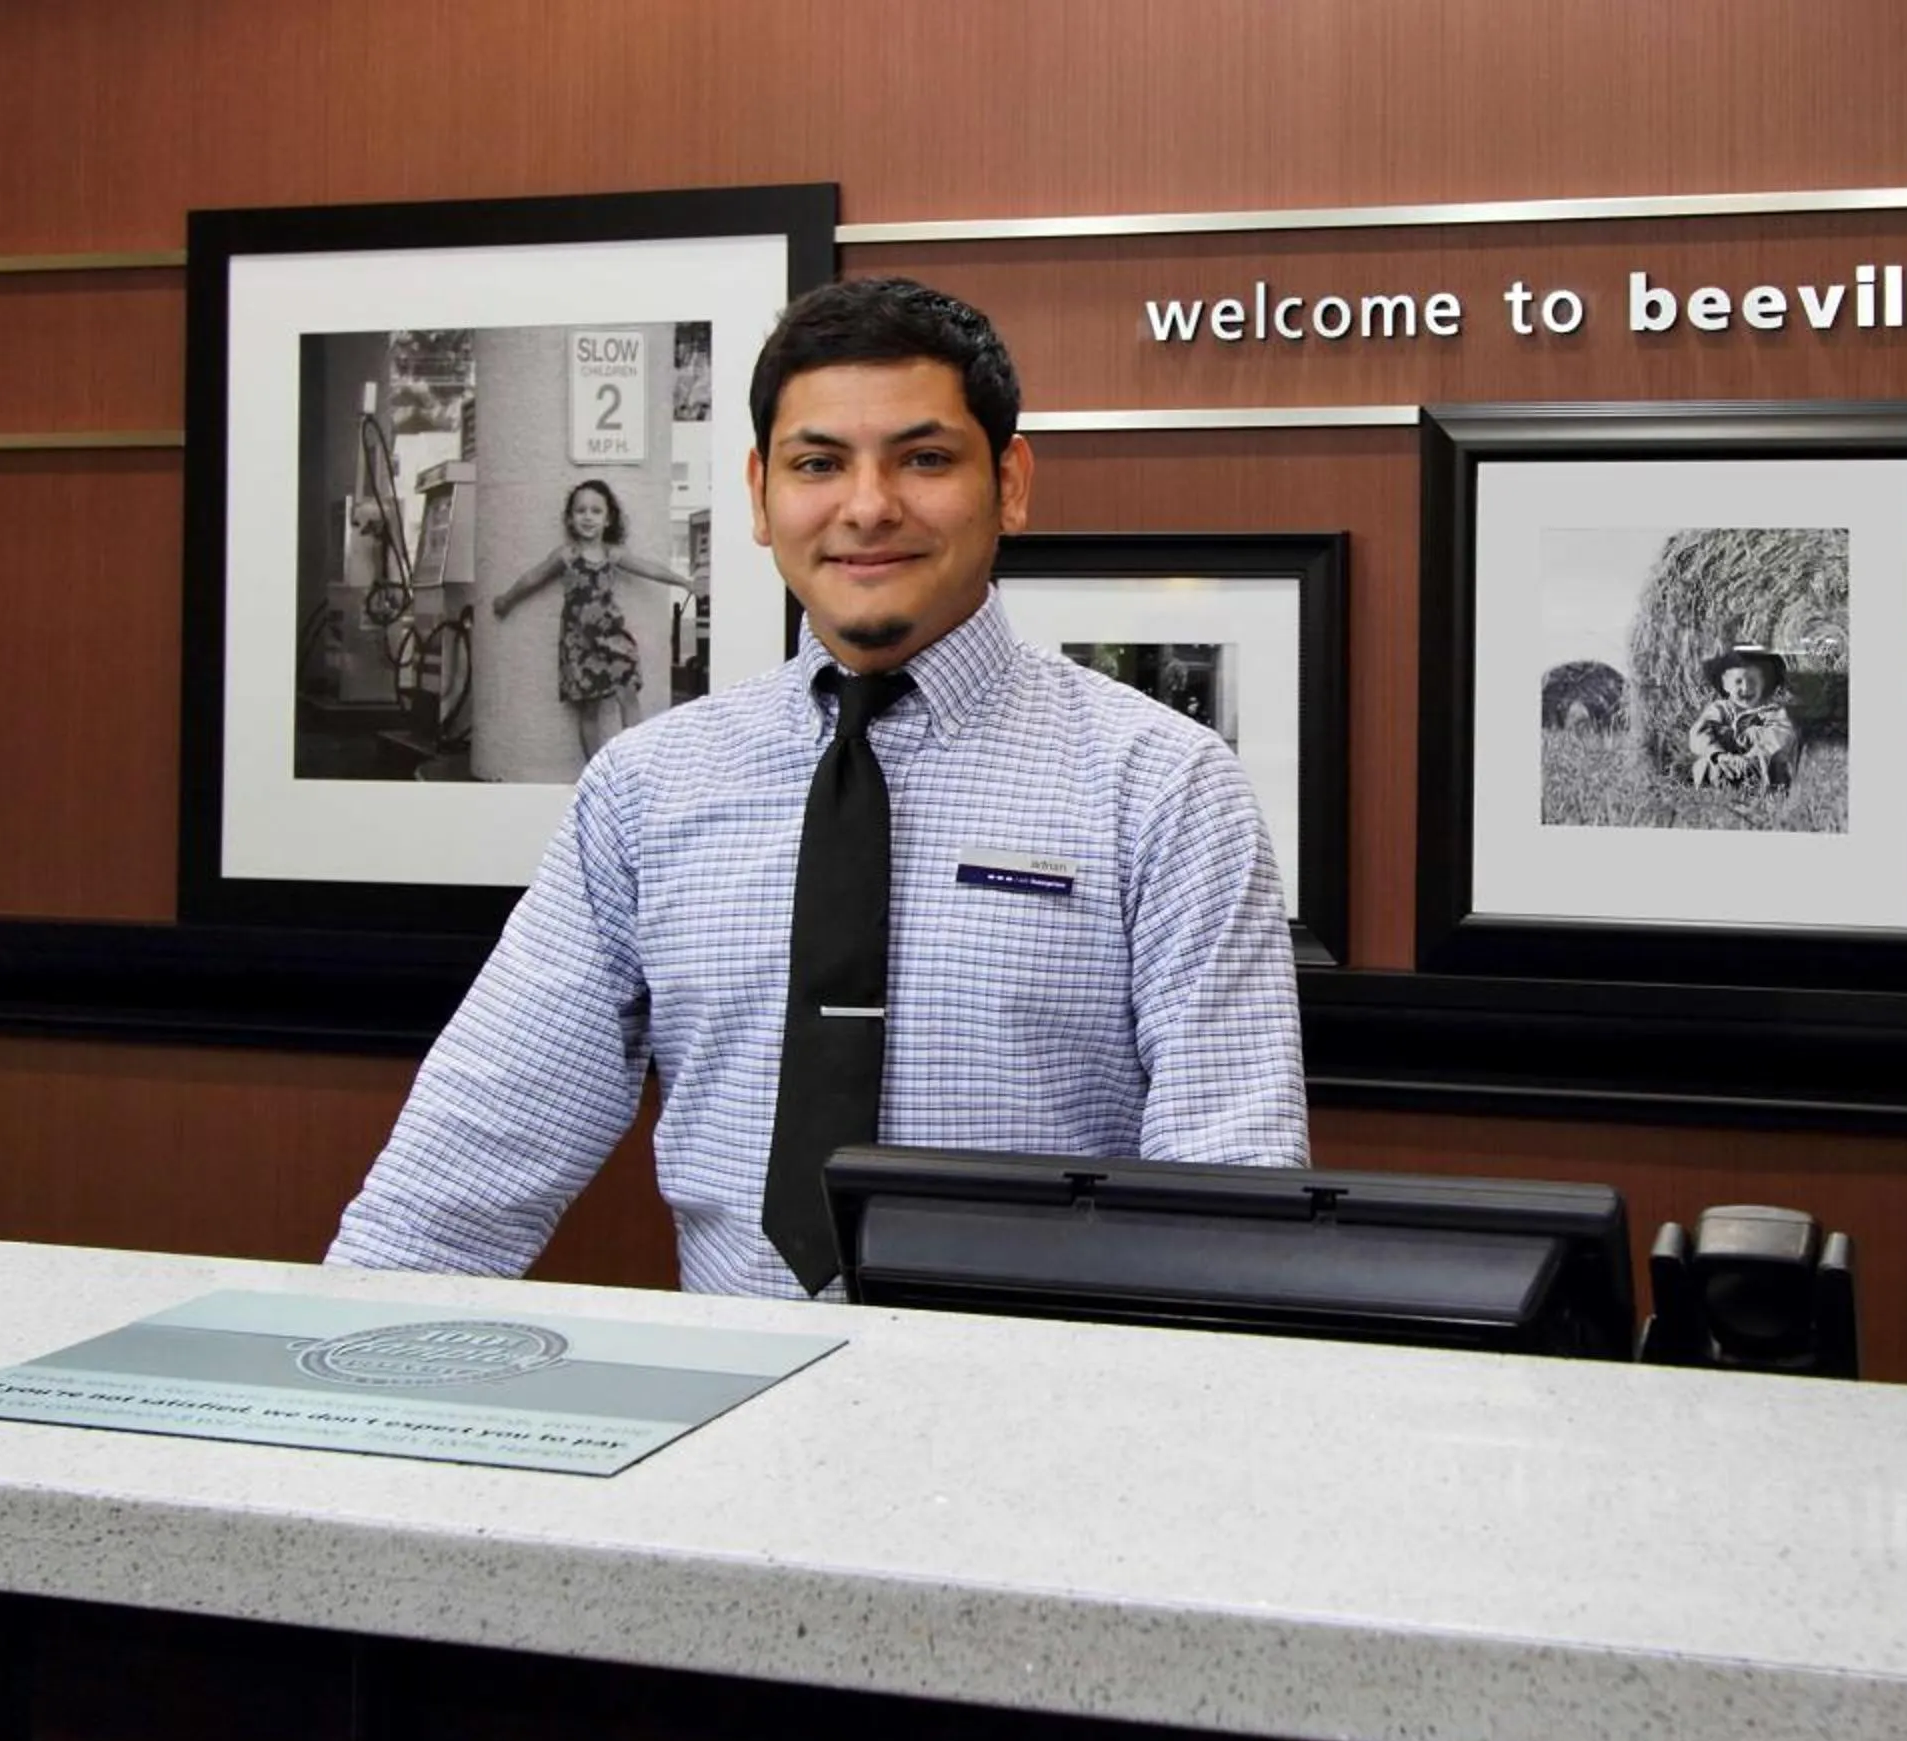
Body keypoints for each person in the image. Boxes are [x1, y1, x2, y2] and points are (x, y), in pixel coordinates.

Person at [329, 279, 1308, 1298]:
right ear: (760, 494)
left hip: (1042, 1418)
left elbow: (1229, 1186)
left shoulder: (1162, 785)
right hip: (734, 1417)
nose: (869, 505)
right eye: (817, 464)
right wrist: (328, 1369)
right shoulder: (646, 790)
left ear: (1009, 483)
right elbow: (477, 1147)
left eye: (925, 459)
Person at [487, 479, 695, 760]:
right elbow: (532, 578)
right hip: (579, 643)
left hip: (613, 638)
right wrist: (507, 599)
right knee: (589, 709)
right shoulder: (566, 556)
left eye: (596, 511)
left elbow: (649, 569)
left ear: (608, 519)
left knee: (628, 693)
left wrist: (682, 581)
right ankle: (595, 773)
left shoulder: (613, 554)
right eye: (581, 511)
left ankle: (637, 761)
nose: (588, 517)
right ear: (571, 519)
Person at [1685, 646, 1799, 790]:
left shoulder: (1774, 712)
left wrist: (1750, 758)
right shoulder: (1720, 709)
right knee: (1704, 764)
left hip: (1760, 766)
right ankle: (1713, 795)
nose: (1746, 688)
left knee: (1778, 765)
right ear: (1725, 684)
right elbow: (1699, 732)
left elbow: (1779, 738)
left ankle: (1767, 794)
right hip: (1726, 763)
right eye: (1738, 682)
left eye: (1752, 681)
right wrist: (1719, 755)